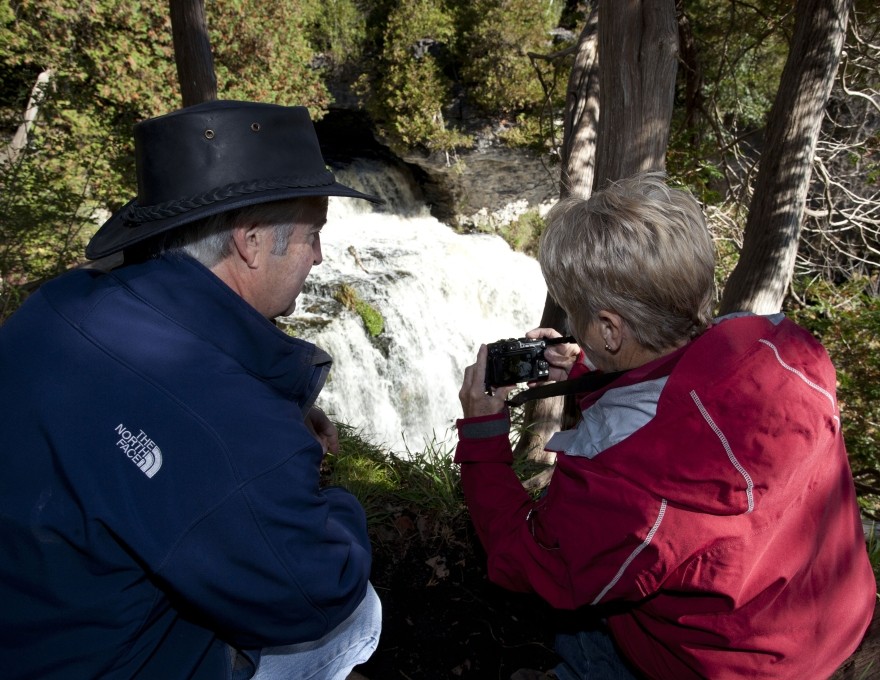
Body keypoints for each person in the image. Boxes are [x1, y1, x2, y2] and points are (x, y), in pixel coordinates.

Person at [0, 100, 383, 679]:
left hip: (32, 615)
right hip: (103, 666)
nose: (319, 256)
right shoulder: (234, 427)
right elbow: (316, 586)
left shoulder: (58, 302)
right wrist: (340, 505)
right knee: (359, 614)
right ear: (250, 241)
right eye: (313, 234)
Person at [456, 172, 876, 679]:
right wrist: (592, 372)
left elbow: (527, 561)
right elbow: (684, 400)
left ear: (609, 329)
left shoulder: (619, 487)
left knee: (579, 628)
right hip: (834, 616)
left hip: (727, 668)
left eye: (575, 315)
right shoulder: (790, 352)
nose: (572, 325)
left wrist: (482, 436)